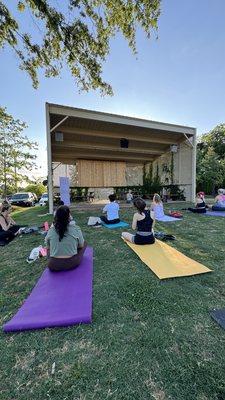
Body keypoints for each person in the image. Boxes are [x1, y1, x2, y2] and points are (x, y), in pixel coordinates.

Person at [45, 205, 87, 271]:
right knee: (84, 244)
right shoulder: (76, 228)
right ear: (69, 216)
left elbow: (48, 247)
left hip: (53, 265)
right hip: (72, 263)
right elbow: (81, 245)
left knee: (47, 249)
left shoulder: (51, 230)